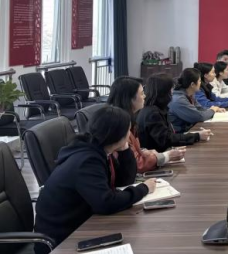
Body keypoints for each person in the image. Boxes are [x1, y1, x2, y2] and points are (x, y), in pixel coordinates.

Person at [34, 106, 156, 252]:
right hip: (61, 240)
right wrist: (144, 189)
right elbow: (107, 203)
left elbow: (124, 182)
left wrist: (124, 150)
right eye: (127, 131)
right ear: (116, 134)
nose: (129, 134)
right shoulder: (87, 162)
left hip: (81, 223)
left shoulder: (96, 149)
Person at [108, 76, 184, 172]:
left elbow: (133, 150)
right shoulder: (118, 124)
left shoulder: (130, 118)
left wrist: (143, 151)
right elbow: (137, 164)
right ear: (130, 98)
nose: (145, 96)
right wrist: (167, 156)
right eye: (141, 93)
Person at [137, 73, 211, 152]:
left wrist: (195, 134)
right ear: (164, 91)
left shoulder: (157, 108)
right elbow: (167, 140)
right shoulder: (153, 113)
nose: (173, 92)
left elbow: (169, 136)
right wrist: (197, 136)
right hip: (160, 155)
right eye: (171, 89)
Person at [168, 68, 216, 133]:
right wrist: (212, 110)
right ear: (192, 84)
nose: (201, 83)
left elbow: (199, 108)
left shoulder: (190, 94)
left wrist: (211, 109)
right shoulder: (179, 100)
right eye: (199, 81)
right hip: (179, 134)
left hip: (188, 130)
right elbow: (199, 116)